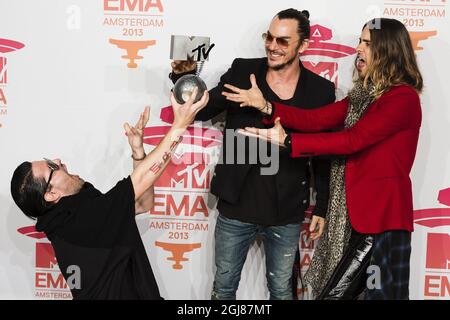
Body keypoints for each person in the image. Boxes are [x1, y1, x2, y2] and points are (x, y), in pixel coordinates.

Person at [224, 18, 423, 300]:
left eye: (367, 43)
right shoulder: (362, 96)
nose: (358, 49)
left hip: (382, 223)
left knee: (379, 297)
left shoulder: (401, 98)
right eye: (359, 41)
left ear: (388, 49)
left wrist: (290, 141)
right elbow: (317, 118)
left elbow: (352, 140)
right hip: (354, 219)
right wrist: (267, 106)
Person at [170, 9, 335, 300]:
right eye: (269, 37)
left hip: (286, 210)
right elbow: (203, 109)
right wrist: (183, 76)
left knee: (282, 291)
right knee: (223, 290)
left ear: (303, 45)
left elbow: (321, 152)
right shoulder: (242, 71)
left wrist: (321, 206)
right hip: (237, 204)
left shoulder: (320, 91)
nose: (272, 46)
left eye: (283, 41)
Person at [10, 89, 209, 300]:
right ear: (51, 194)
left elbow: (143, 202)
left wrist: (138, 152)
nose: (58, 161)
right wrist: (179, 125)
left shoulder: (75, 211)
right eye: (52, 166)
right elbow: (140, 181)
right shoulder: (80, 223)